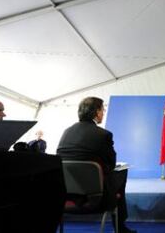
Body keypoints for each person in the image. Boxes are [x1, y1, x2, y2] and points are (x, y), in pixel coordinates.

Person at [56, 97, 136, 233]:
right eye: (102, 110)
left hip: (67, 195)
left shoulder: (66, 132)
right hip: (96, 197)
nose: (103, 113)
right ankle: (120, 226)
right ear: (97, 112)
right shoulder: (103, 134)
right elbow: (111, 165)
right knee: (122, 172)